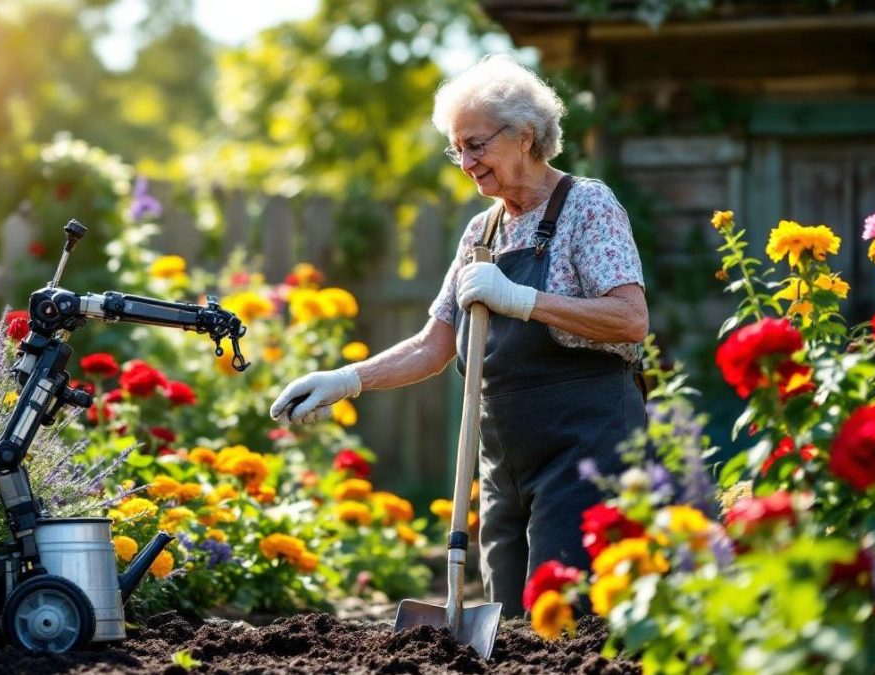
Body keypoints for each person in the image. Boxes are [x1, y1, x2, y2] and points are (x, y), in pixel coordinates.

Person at [269, 54, 648, 617]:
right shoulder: (482, 229)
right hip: (505, 457)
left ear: (523, 136)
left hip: (583, 447)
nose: (465, 163)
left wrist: (522, 300)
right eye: (457, 149)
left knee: (568, 621)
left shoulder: (587, 205)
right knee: (507, 619)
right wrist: (346, 380)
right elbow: (434, 343)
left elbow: (630, 319)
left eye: (476, 145)